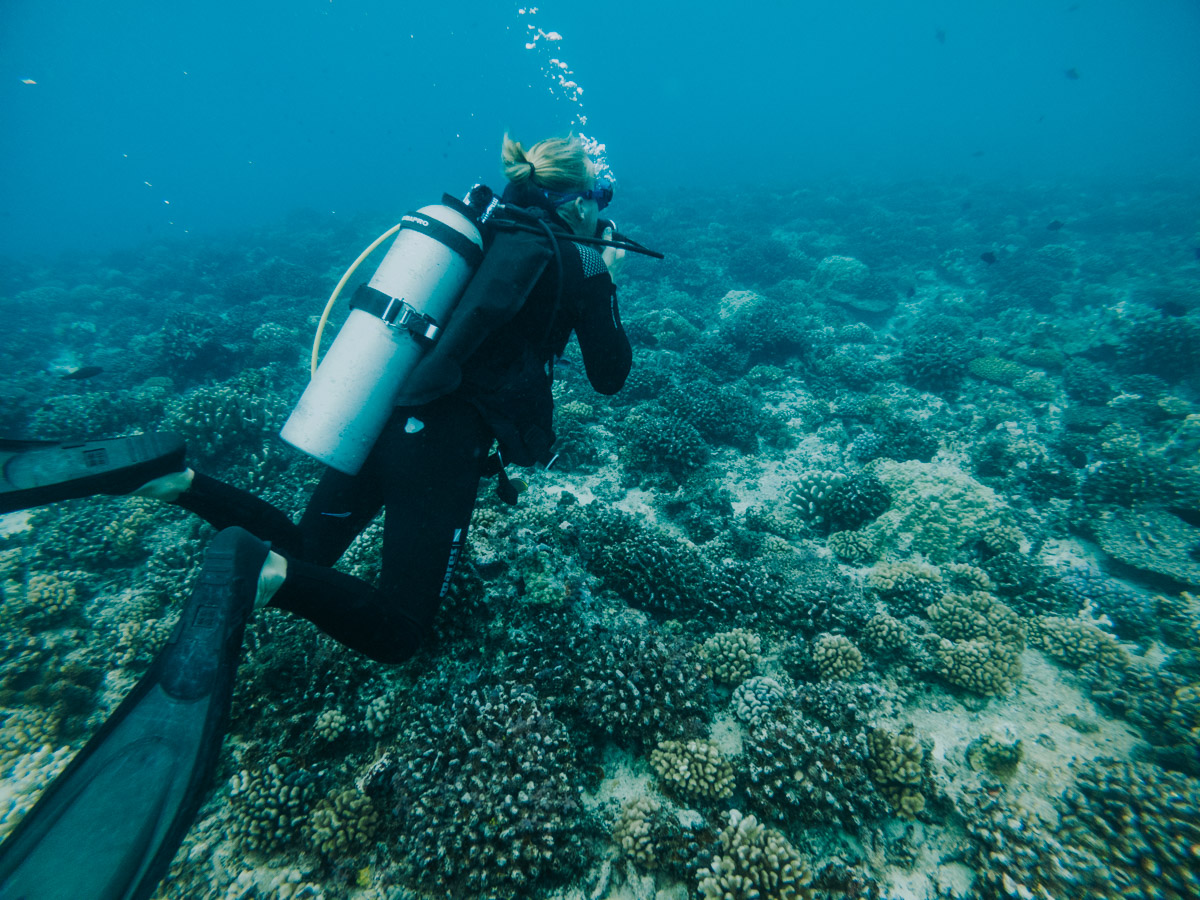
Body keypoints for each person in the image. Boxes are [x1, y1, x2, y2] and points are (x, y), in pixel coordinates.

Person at [0, 133, 637, 898]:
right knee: (399, 631)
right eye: (598, 197)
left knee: (309, 546)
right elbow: (610, 375)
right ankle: (255, 570)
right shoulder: (575, 260)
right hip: (439, 444)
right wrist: (605, 277)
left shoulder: (484, 224)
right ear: (577, 198)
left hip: (380, 410)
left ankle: (170, 480)